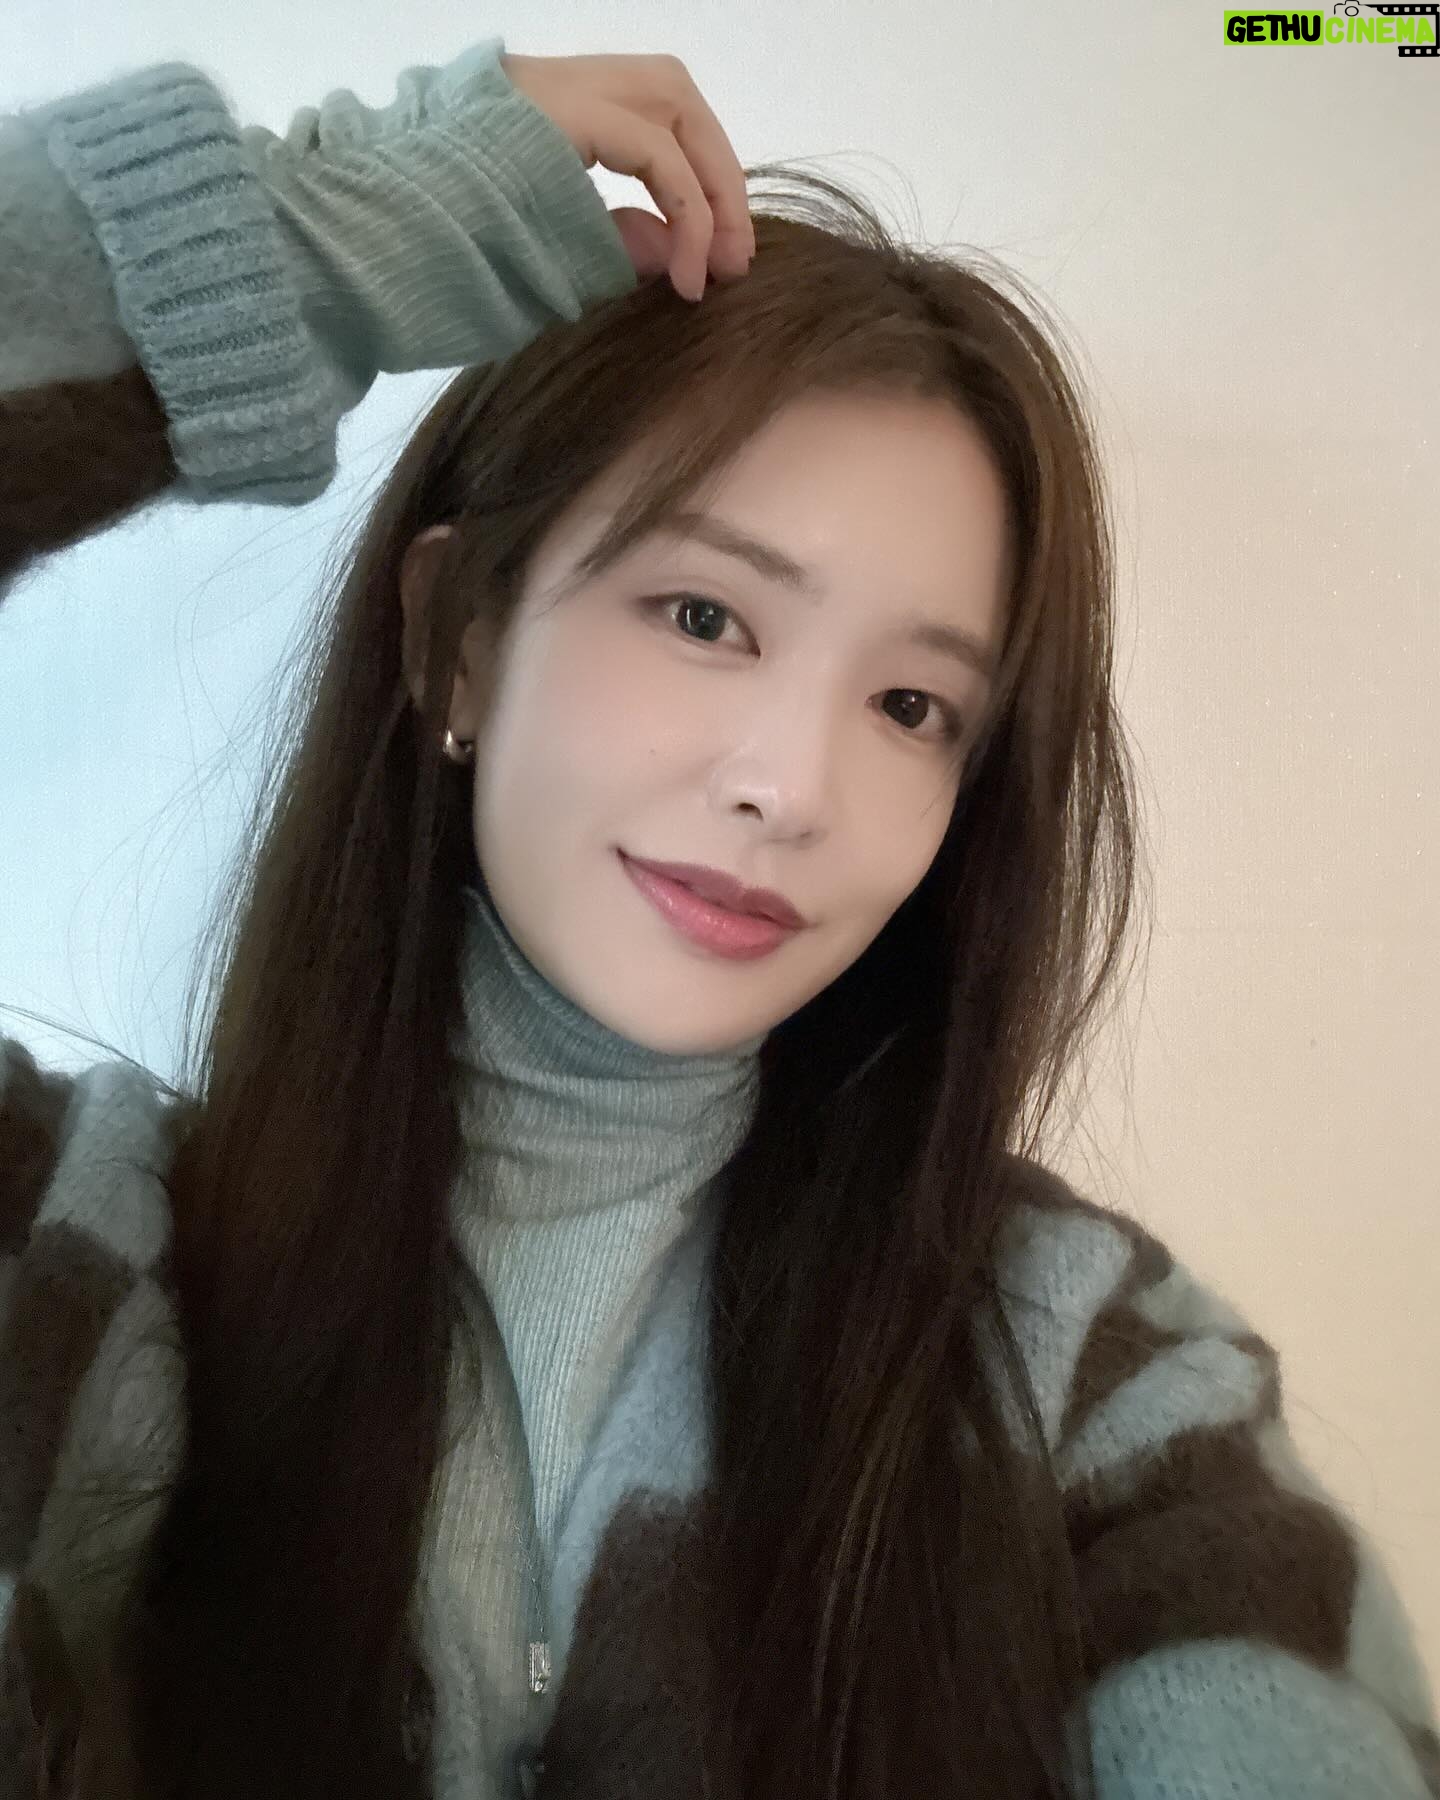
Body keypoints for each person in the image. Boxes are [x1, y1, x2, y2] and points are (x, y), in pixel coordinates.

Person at [0, 34, 1435, 1800]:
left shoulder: (1097, 1384)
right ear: (456, 637)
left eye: (913, 706)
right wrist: (298, 239)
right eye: (705, 618)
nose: (791, 785)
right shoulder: (63, 1259)